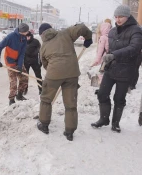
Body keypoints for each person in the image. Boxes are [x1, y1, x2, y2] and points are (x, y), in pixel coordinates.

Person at [37, 23, 93, 141]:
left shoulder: (44, 46)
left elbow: (45, 64)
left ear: (41, 34)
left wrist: (55, 71)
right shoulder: (66, 33)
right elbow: (81, 27)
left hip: (54, 75)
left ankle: (44, 125)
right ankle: (69, 132)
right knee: (70, 104)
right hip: (72, 74)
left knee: (46, 99)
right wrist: (88, 38)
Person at [91, 5, 142, 133]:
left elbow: (134, 48)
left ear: (127, 16)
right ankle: (104, 119)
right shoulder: (113, 31)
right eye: (116, 17)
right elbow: (110, 49)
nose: (118, 19)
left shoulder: (136, 30)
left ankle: (115, 123)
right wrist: (105, 57)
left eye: (121, 17)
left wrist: (114, 55)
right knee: (102, 94)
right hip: (111, 69)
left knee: (119, 98)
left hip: (125, 70)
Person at [0, 23, 29, 105]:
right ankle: (12, 99)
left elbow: (22, 54)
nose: (27, 32)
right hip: (10, 62)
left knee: (24, 77)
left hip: (18, 61)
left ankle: (20, 95)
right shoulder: (10, 37)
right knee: (13, 82)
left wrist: (20, 66)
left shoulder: (24, 38)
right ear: (23, 31)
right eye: (26, 31)